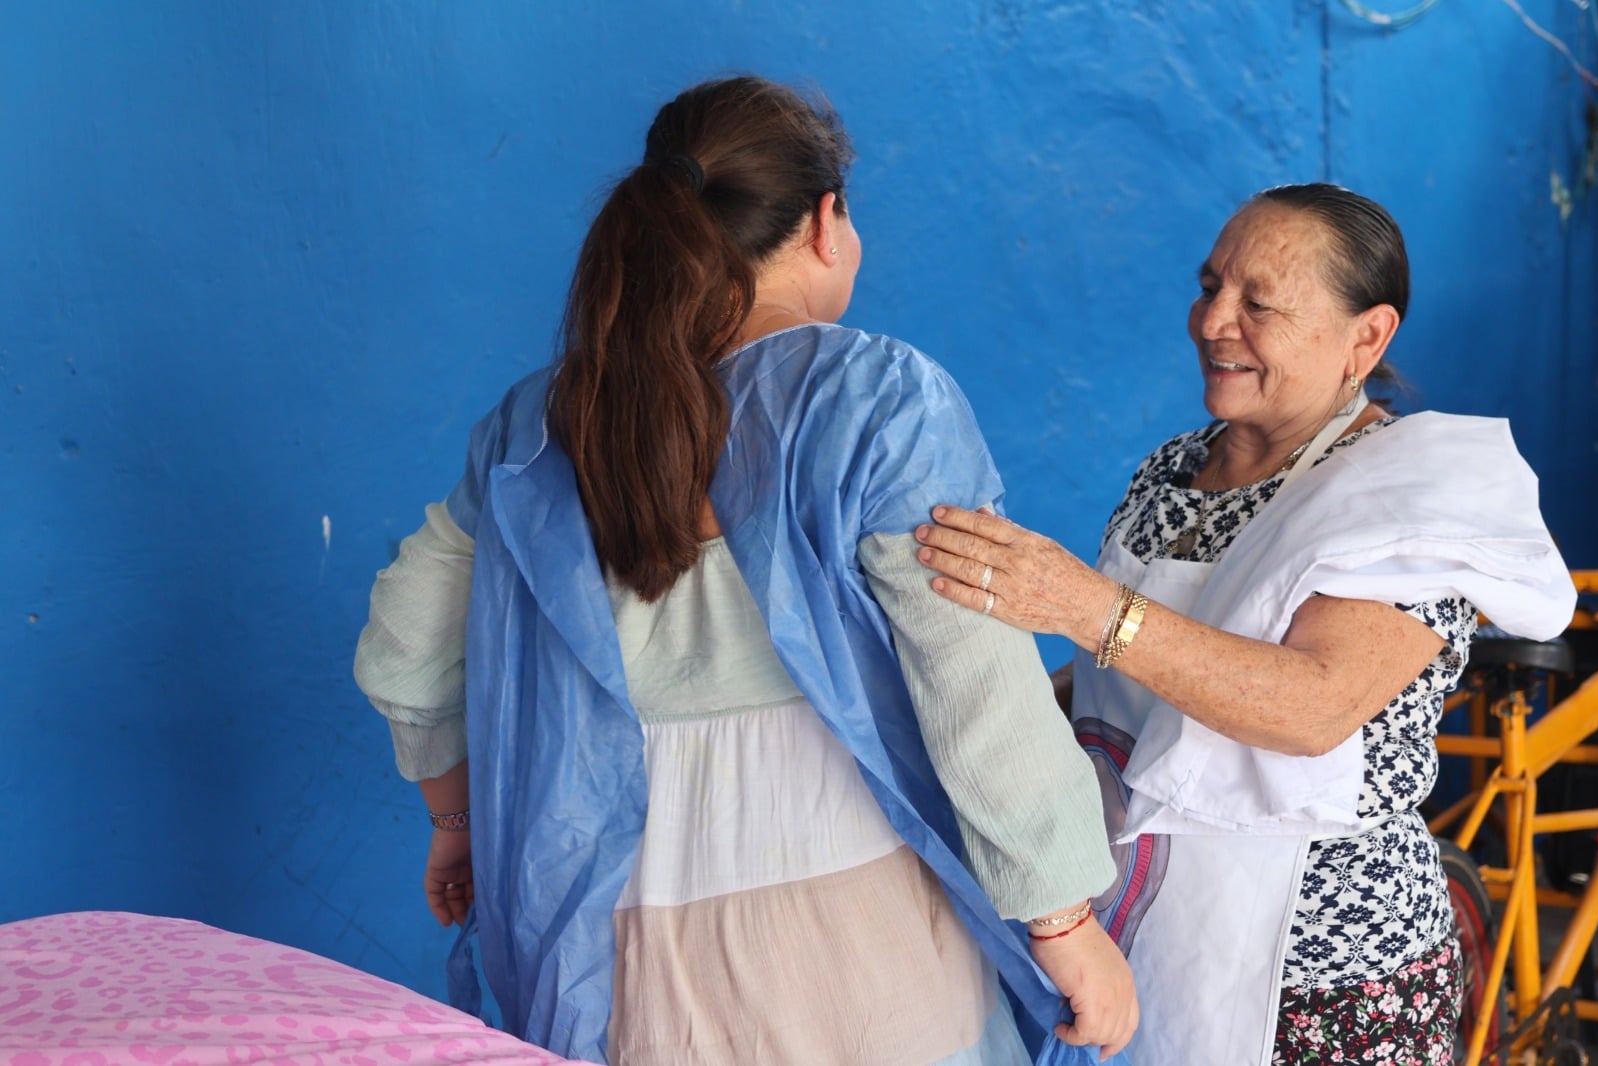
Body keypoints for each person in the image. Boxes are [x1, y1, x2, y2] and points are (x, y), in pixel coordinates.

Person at [353, 76, 1137, 1066]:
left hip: (629, 952)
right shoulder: (877, 399)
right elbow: (972, 676)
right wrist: (1062, 922)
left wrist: (455, 821)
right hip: (862, 929)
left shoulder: (540, 423)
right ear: (825, 222)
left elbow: (404, 644)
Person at [913, 183, 1576, 1066]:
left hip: (1324, 983)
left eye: (1258, 303)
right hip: (1147, 930)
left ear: (1366, 338)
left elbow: (1313, 706)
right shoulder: (1173, 468)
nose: (1212, 320)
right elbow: (1128, 679)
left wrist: (1079, 602)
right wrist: (989, 716)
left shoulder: (1406, 493)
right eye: (1210, 284)